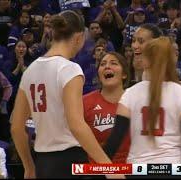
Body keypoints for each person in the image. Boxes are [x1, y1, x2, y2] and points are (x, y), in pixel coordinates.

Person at [10, 10, 121, 179]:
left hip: (43, 162)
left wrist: (29, 166)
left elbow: (17, 127)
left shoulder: (30, 70)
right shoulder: (69, 69)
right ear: (78, 37)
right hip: (69, 160)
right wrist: (108, 167)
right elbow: (76, 124)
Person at [103, 37, 181, 174]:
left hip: (138, 169)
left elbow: (115, 140)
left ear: (145, 62)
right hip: (172, 169)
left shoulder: (130, 94)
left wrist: (100, 172)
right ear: (172, 60)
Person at [84, 52, 130, 163]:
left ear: (124, 74)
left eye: (113, 63)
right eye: (103, 64)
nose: (107, 66)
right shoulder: (85, 102)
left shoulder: (137, 101)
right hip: (97, 171)